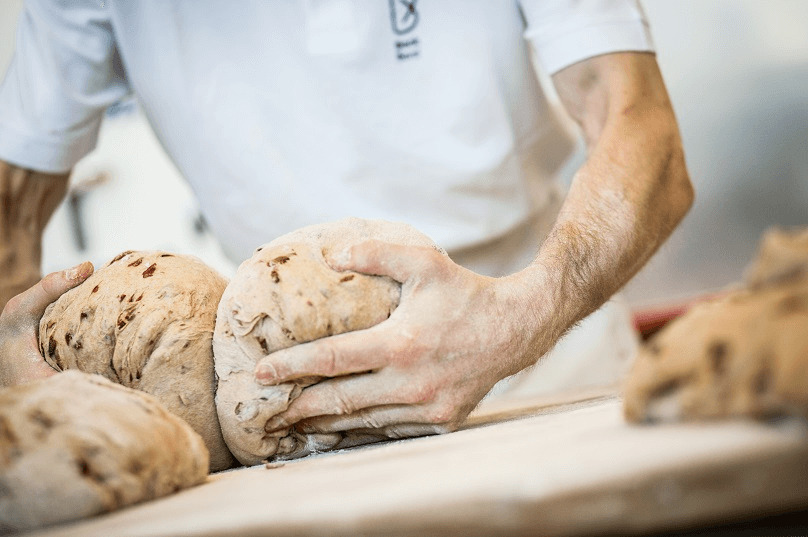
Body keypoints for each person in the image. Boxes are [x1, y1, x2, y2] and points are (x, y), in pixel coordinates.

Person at [0, 1, 692, 439]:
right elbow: (12, 200)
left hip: (543, 351)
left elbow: (642, 131)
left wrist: (517, 319)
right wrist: (10, 356)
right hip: (289, 402)